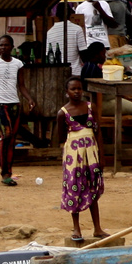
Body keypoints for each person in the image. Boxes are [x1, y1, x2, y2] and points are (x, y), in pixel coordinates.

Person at [53, 77, 105, 242]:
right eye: (73, 89)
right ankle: (76, 228)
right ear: (67, 92)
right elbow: (60, 137)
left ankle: (97, 228)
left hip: (91, 152)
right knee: (74, 188)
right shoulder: (63, 113)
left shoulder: (91, 107)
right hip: (73, 156)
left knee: (93, 188)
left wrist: (101, 156)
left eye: (79, 89)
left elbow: (98, 132)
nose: (76, 92)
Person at [0, 35, 35, 186]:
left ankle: (9, 171)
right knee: (6, 135)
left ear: (12, 47)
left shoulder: (18, 64)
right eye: (1, 45)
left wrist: (29, 99)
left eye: (6, 45)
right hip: (0, 104)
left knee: (12, 138)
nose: (3, 48)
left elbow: (21, 85)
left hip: (15, 104)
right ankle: (4, 173)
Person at [45, 4, 88, 73]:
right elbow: (83, 53)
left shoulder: (49, 32)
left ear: (57, 15)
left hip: (57, 73)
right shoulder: (77, 29)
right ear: (70, 14)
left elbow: (48, 55)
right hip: (75, 72)